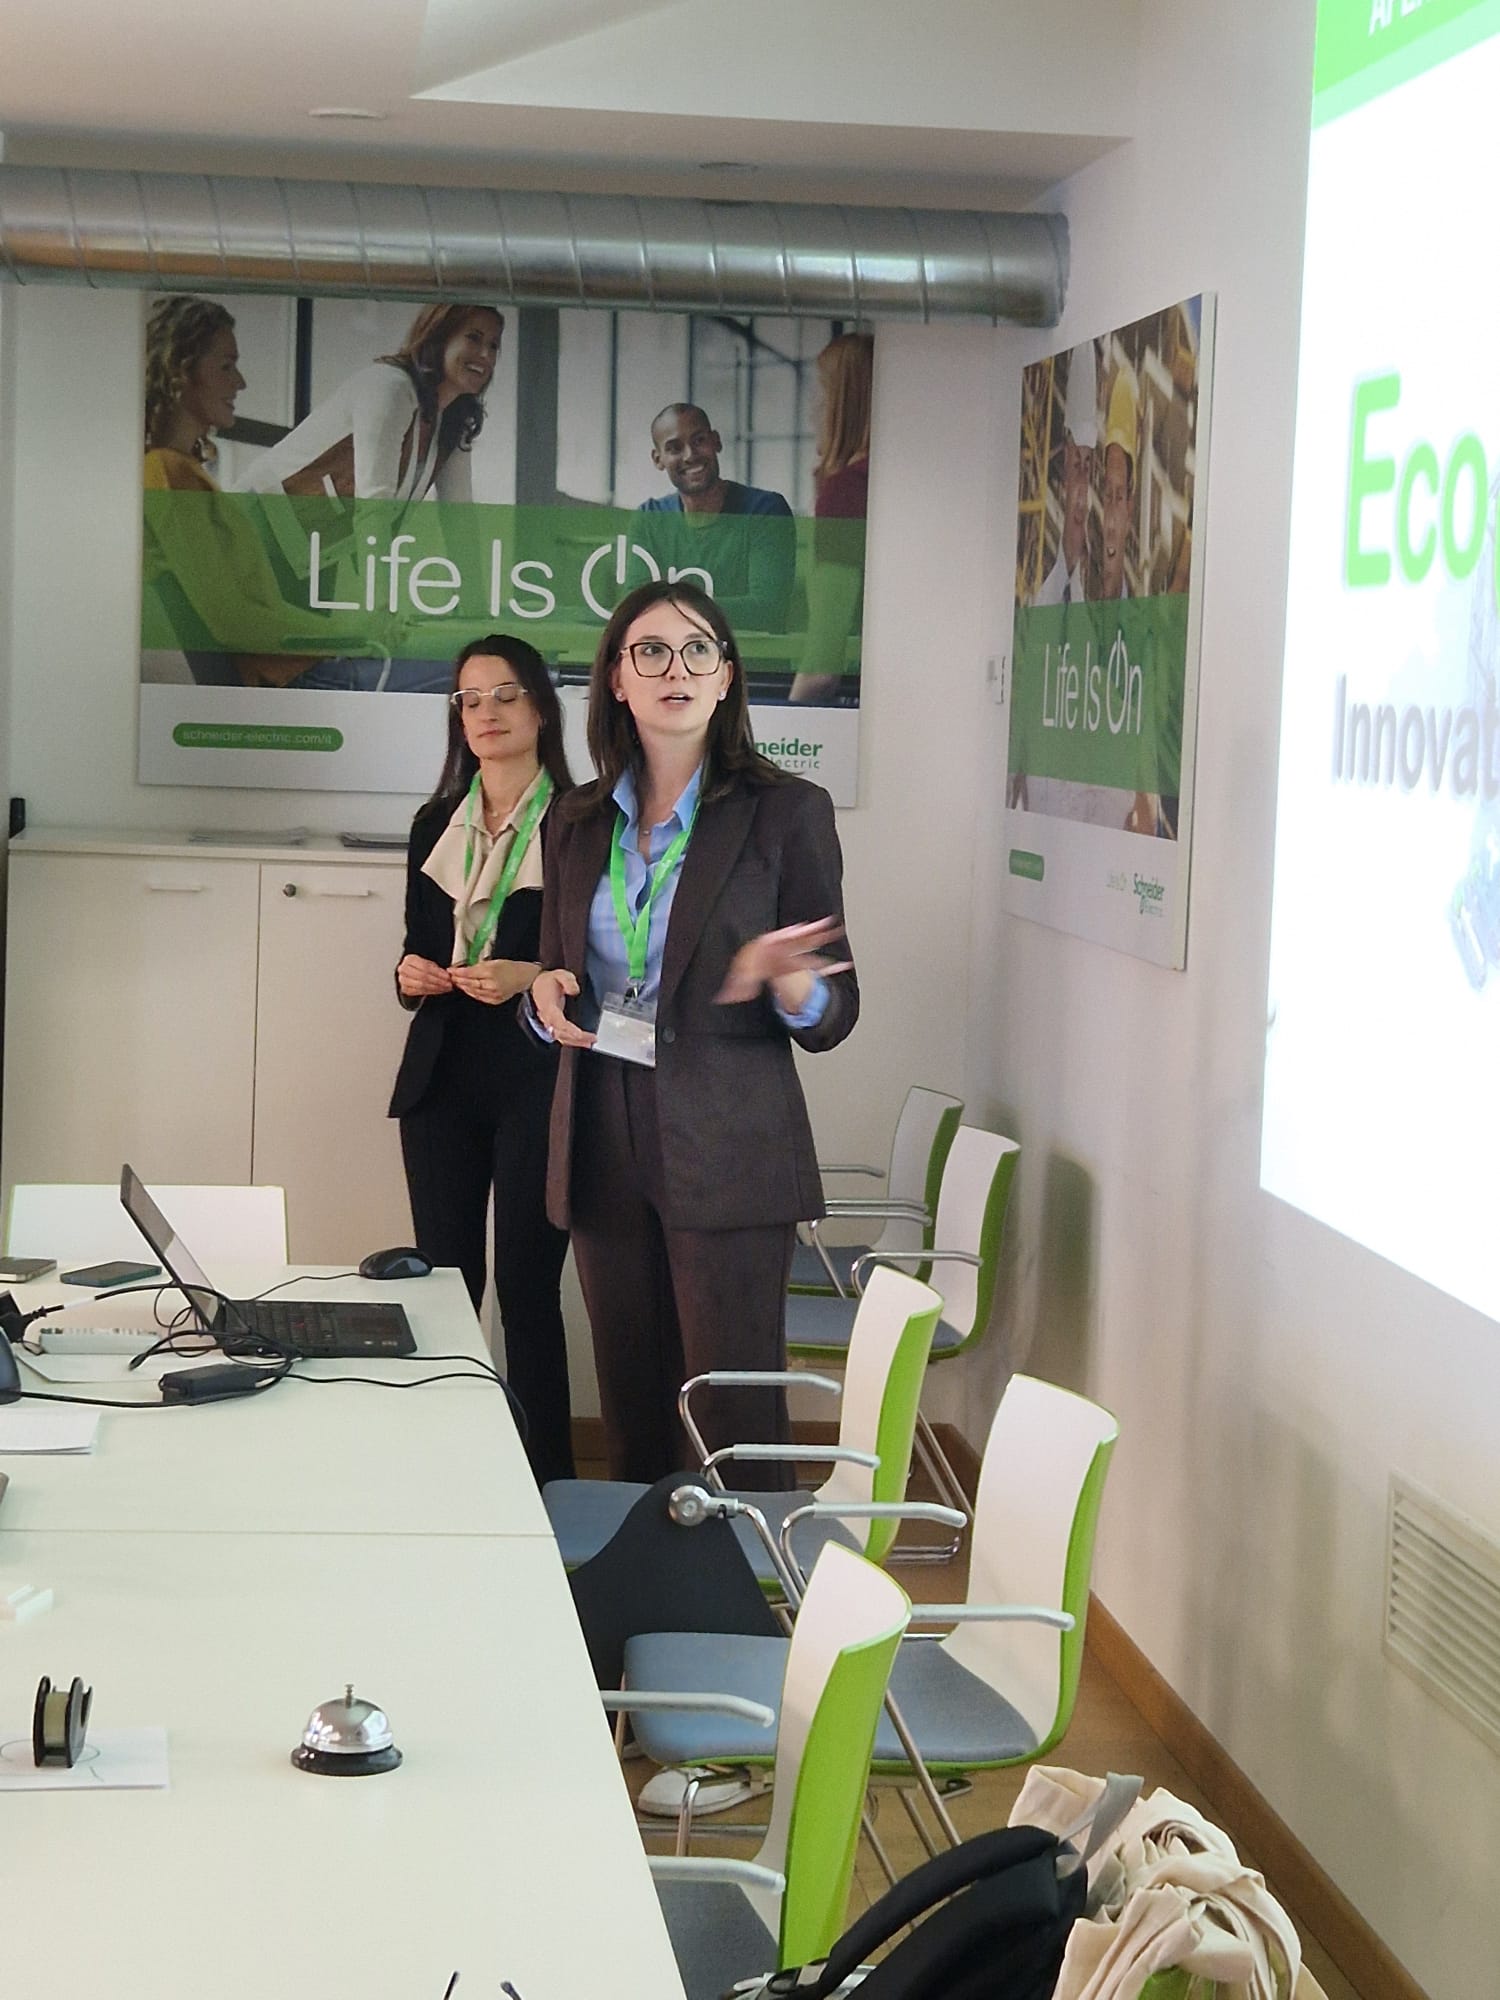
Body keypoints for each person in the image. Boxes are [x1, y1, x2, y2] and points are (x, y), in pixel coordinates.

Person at [529, 580, 857, 1485]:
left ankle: (745, 1572)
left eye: (697, 650)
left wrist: (792, 981)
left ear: (726, 678)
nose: (675, 668)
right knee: (631, 1401)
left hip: (730, 1140)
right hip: (601, 1132)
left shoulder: (788, 813)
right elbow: (558, 975)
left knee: (729, 1411)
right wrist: (541, 997)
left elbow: (837, 1015)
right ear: (616, 679)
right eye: (650, 651)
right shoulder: (574, 820)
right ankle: (641, 1575)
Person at [389, 634, 575, 1486]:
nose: (486, 713)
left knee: (529, 1294)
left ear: (541, 709)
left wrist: (529, 974)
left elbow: (607, 964)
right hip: (442, 1077)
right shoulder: (436, 824)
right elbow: (412, 948)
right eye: (470, 699)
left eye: (505, 695)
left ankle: (545, 1485)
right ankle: (448, 1473)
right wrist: (409, 975)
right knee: (444, 1291)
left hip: (538, 1077)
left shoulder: (581, 823)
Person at [142, 294, 325, 688]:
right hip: (286, 679)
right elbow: (232, 622)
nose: (239, 382)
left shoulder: (182, 470)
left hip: (291, 672)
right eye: (226, 367)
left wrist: (350, 631)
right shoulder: (166, 471)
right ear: (180, 372)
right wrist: (354, 632)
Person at [235, 301, 502, 505]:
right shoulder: (390, 388)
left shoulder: (454, 420)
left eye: (493, 345)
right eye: (473, 338)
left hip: (308, 547)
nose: (485, 355)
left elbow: (459, 518)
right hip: (256, 521)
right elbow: (375, 502)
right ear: (440, 336)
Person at [636, 404, 796, 636]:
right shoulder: (650, 517)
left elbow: (768, 609)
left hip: (749, 655)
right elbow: (636, 607)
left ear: (716, 442)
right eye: (675, 448)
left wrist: (669, 607)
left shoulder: (765, 511)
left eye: (699, 440)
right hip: (675, 652)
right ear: (658, 459)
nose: (690, 455)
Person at [791, 331, 873, 705]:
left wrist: (789, 723)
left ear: (844, 406)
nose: (812, 410)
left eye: (820, 393)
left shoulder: (848, 491)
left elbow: (821, 668)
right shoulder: (885, 482)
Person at [1035, 339, 1097, 608]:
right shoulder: (1040, 600)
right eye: (1077, 466)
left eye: (1088, 467)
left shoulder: (1088, 610)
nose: (1082, 489)